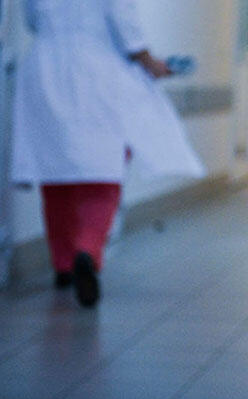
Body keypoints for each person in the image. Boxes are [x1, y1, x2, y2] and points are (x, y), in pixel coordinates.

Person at [11, 0, 205, 307]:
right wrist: (151, 63)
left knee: (56, 174)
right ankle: (87, 250)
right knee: (104, 174)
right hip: (97, 69)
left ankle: (63, 266)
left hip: (44, 67)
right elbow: (124, 22)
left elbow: (33, 20)